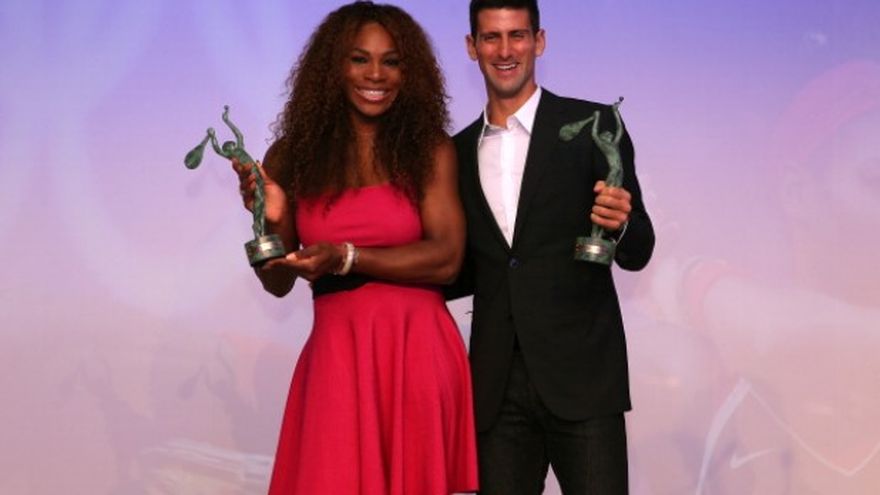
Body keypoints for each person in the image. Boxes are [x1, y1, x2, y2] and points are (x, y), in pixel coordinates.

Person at [233, 2, 478, 493]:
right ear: (334, 67)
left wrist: (346, 257)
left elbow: (448, 259)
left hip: (417, 353)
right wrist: (271, 219)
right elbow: (277, 281)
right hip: (338, 357)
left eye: (392, 61)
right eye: (359, 59)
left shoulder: (429, 149)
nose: (376, 75)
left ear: (409, 72)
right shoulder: (292, 155)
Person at [447, 1, 655, 493]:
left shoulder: (595, 125)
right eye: (492, 37)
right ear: (472, 47)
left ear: (539, 41)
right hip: (496, 390)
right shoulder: (454, 152)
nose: (505, 50)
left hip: (584, 381)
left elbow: (639, 249)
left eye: (517, 35)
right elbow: (464, 267)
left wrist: (621, 223)